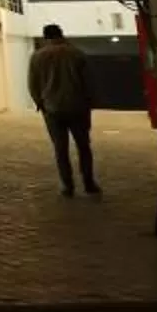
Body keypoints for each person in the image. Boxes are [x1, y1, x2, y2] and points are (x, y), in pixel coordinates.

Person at [30, 24, 99, 197]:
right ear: (62, 34)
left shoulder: (37, 57)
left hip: (52, 108)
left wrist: (40, 103)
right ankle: (89, 182)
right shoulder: (77, 54)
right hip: (78, 106)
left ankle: (67, 186)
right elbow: (89, 81)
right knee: (84, 146)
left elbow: (33, 84)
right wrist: (90, 101)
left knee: (60, 149)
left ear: (45, 37)